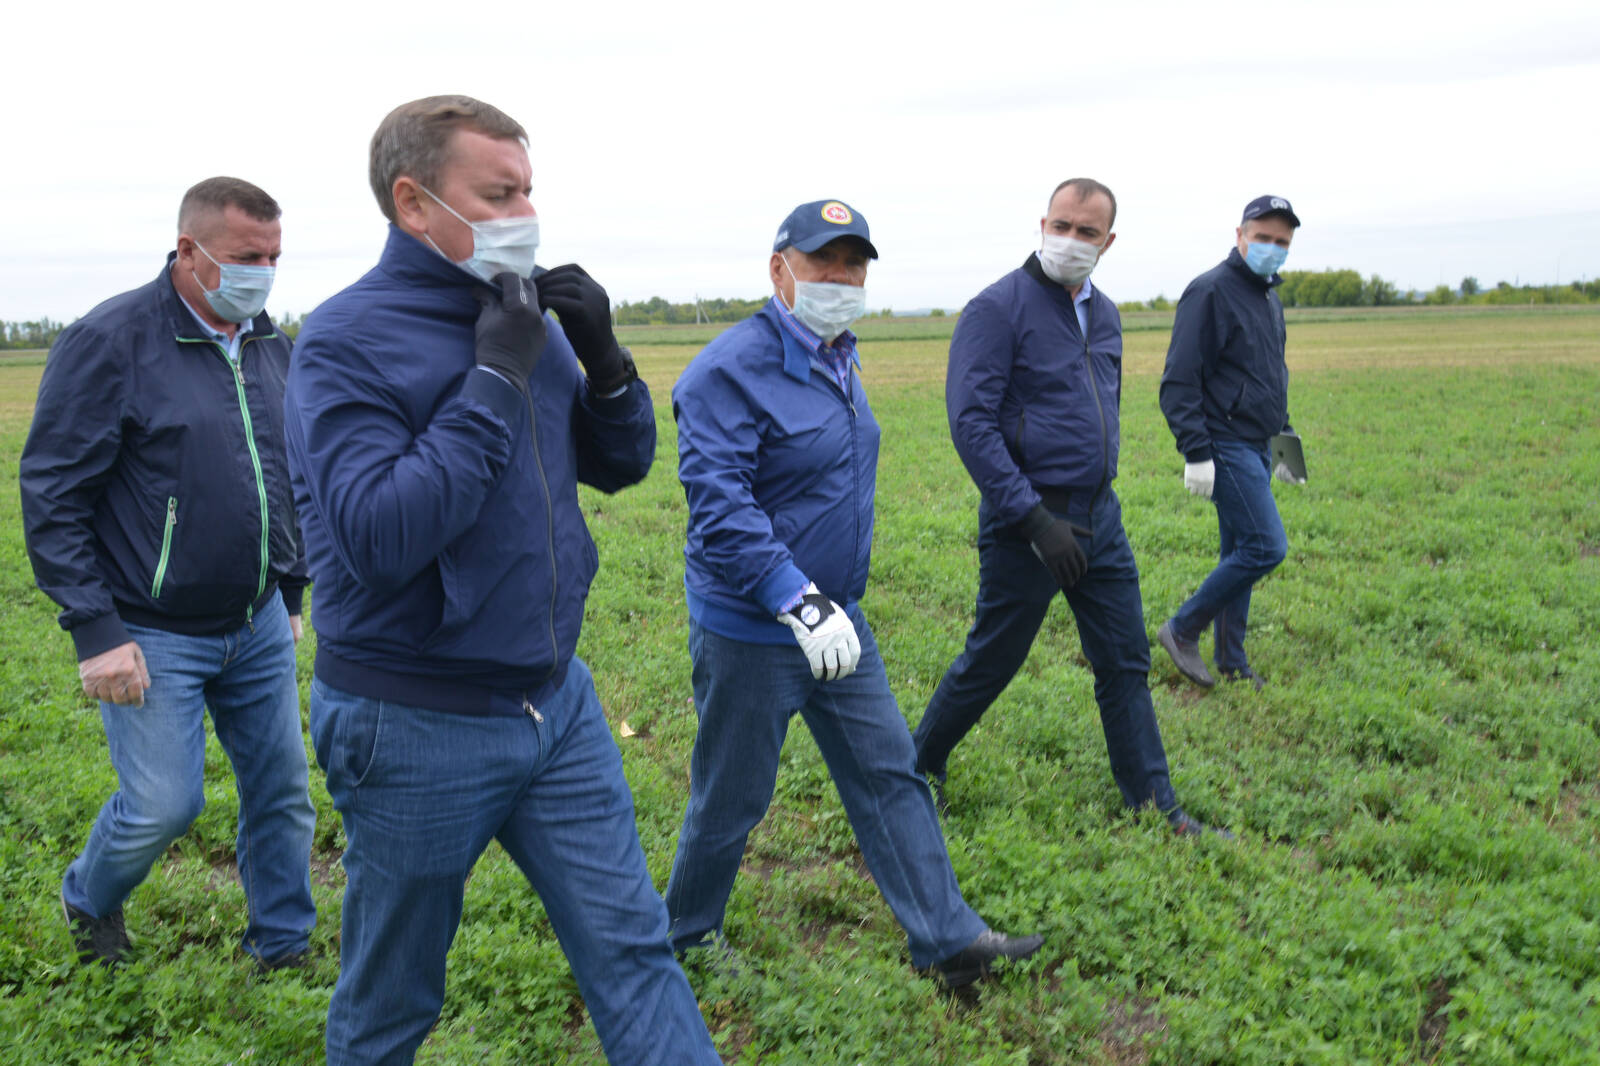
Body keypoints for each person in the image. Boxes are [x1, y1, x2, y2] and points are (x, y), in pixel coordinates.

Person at [281, 96, 719, 1066]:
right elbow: (381, 535)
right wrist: (491, 379)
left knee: (634, 950)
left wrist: (604, 362)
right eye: (499, 193)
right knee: (393, 997)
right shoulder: (347, 340)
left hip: (555, 702)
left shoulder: (523, 319)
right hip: (414, 717)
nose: (526, 213)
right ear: (413, 202)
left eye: (528, 190)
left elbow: (621, 464)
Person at [666, 198, 1044, 991]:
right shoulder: (725, 371)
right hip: (754, 630)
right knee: (731, 798)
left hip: (840, 619)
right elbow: (722, 507)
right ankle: (687, 936)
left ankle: (948, 941)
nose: (840, 279)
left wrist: (825, 603)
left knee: (890, 774)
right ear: (780, 269)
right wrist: (795, 600)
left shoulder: (841, 356)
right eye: (823, 262)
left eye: (854, 265)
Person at [19, 177, 317, 969]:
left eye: (275, 256)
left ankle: (283, 945)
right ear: (190, 250)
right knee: (164, 805)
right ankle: (89, 896)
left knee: (283, 793)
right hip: (151, 631)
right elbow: (53, 491)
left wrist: (289, 587)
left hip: (255, 619)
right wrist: (96, 631)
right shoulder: (110, 342)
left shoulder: (269, 341)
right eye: (248, 256)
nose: (264, 272)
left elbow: (284, 473)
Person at [911, 179, 1224, 837]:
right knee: (994, 658)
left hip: (1100, 517)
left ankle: (1156, 807)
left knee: (1125, 660)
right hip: (1028, 521)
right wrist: (1033, 520)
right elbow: (972, 425)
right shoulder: (996, 309)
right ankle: (917, 766)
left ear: (1108, 242)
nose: (1071, 240)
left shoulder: (1105, 314)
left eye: (1087, 232)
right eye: (1062, 226)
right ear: (1043, 224)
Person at [1156, 195, 1305, 691]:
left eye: (1281, 241)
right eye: (1262, 237)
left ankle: (1232, 662)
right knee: (1265, 545)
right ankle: (1182, 629)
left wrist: (1284, 437)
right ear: (1239, 235)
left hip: (1258, 442)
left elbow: (1270, 375)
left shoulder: (1269, 297)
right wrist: (1196, 452)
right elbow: (1179, 380)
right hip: (1224, 441)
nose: (1271, 248)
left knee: (1240, 549)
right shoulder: (1210, 292)